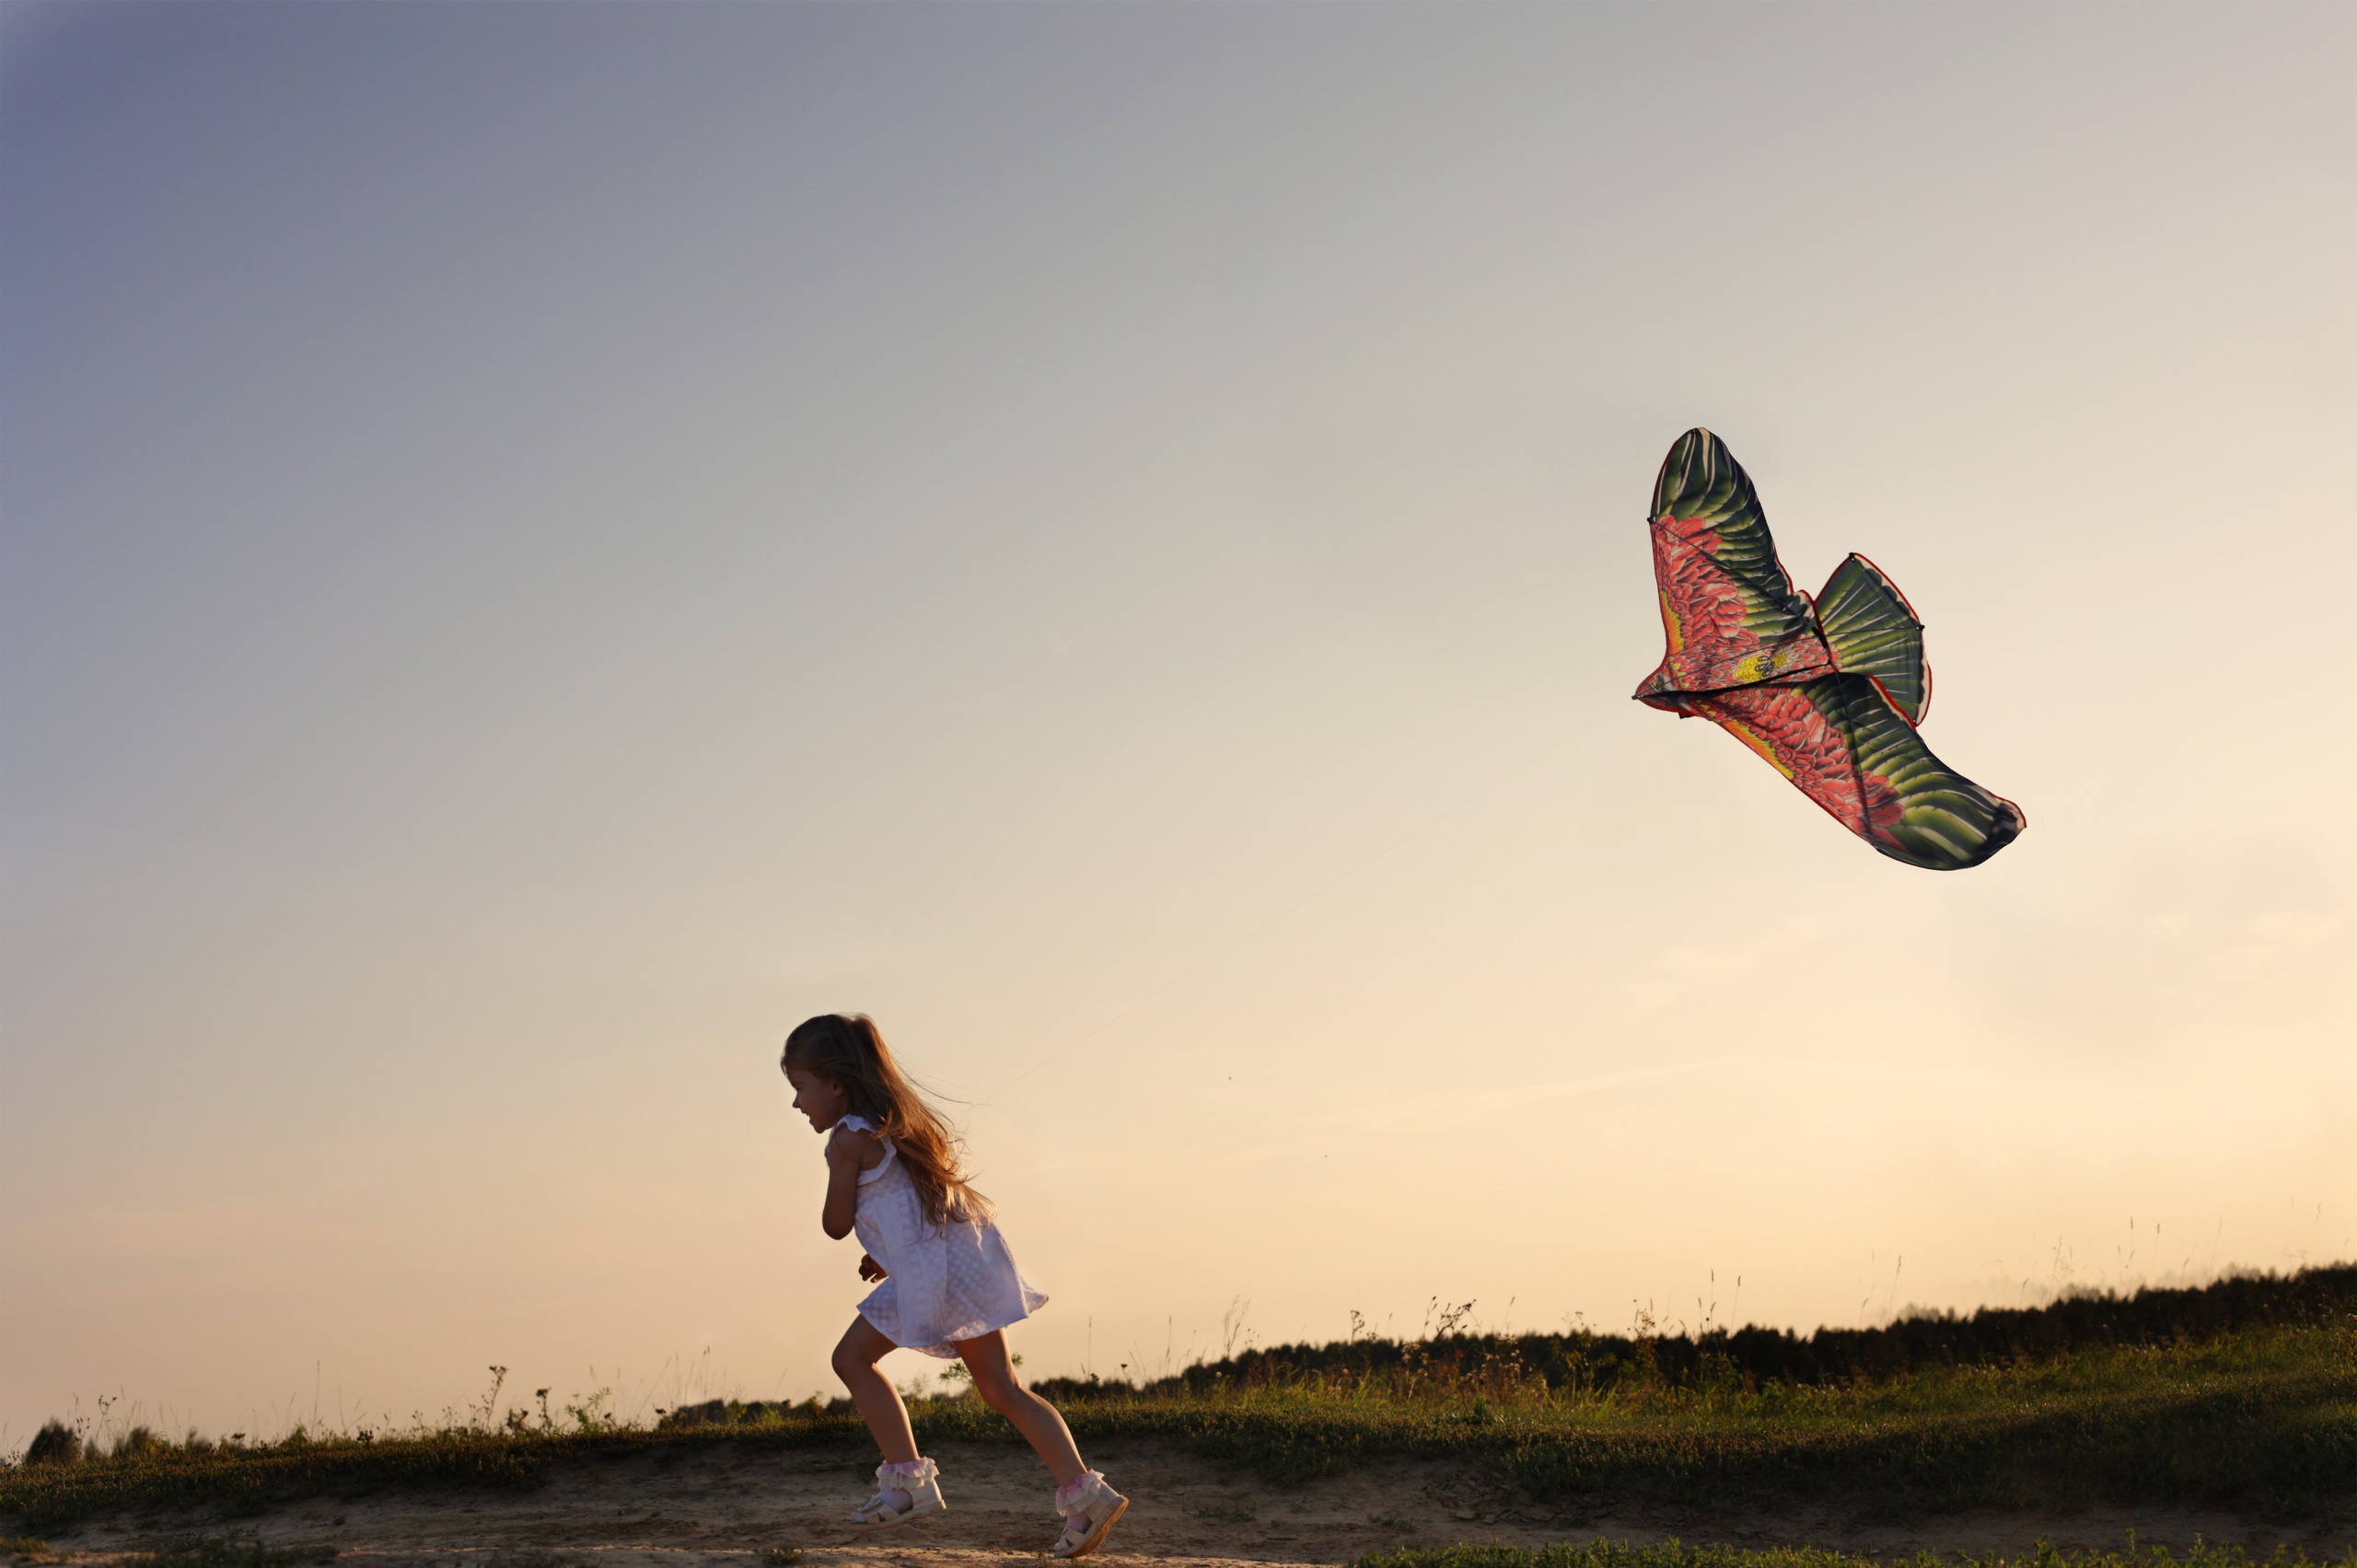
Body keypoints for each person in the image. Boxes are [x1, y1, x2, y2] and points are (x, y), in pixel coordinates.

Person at [781, 1013, 1131, 1559]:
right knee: (1002, 1389)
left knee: (851, 1361)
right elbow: (911, 1208)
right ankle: (1086, 1495)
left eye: (800, 1088)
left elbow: (834, 1224)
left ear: (835, 1082)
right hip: (958, 1264)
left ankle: (907, 1486)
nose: (798, 1104)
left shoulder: (846, 1141)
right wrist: (886, 1254)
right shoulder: (896, 1123)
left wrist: (843, 1195)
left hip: (932, 1275)